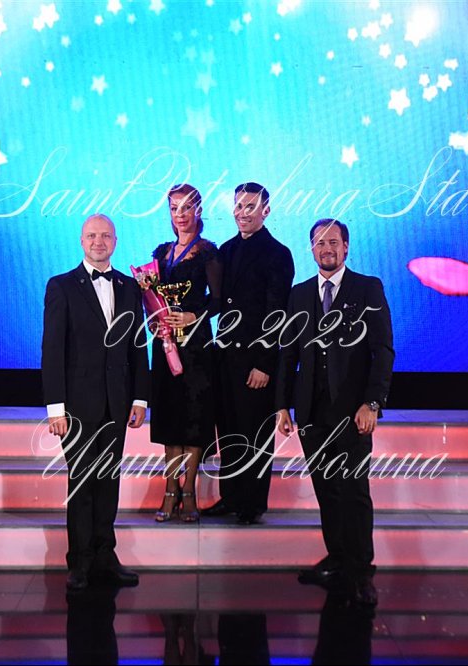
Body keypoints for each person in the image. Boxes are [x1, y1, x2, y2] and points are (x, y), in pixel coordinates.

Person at [275, 219, 394, 607]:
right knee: (326, 489)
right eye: (319, 242)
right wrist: (282, 404)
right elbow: (288, 354)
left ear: (346, 247)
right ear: (311, 249)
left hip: (354, 411)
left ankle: (361, 571)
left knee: (354, 491)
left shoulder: (368, 287)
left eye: (333, 242)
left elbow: (382, 351)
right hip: (311, 411)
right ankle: (337, 558)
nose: (326, 248)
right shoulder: (299, 294)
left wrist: (372, 402)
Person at [42, 214, 150, 592]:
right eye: (92, 236)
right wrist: (55, 408)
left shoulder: (129, 287)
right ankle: (80, 560)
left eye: (105, 236)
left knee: (108, 481)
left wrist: (139, 397)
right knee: (82, 482)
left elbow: (138, 346)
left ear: (115, 241)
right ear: (81, 241)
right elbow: (52, 350)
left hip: (116, 403)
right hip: (76, 407)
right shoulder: (61, 286)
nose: (98, 242)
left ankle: (106, 556)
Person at [205, 182, 294, 525]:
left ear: (265, 211)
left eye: (250, 206)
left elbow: (277, 313)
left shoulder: (277, 253)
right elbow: (219, 300)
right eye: (239, 205)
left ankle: (252, 503)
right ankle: (231, 497)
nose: (243, 212)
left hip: (254, 360)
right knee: (228, 429)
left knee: (254, 432)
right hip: (225, 358)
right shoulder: (226, 250)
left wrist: (264, 363)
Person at [148, 183, 222, 523]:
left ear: (198, 210)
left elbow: (218, 300)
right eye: (174, 208)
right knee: (169, 417)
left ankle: (189, 490)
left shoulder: (208, 253)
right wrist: (154, 318)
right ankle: (170, 489)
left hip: (196, 346)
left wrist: (194, 315)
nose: (180, 214)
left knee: (193, 417)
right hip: (165, 343)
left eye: (186, 207)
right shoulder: (161, 253)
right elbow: (151, 297)